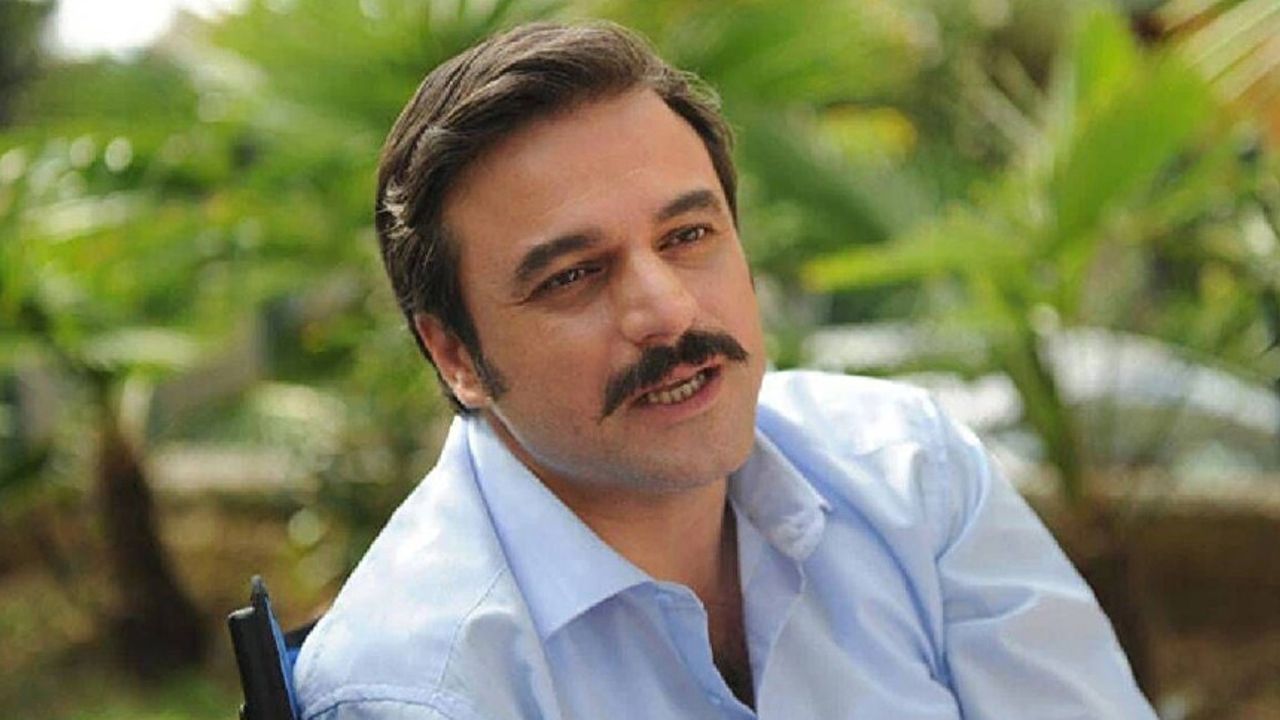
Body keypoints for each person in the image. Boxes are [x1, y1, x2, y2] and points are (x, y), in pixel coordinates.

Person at [293, 21, 1156, 720]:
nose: (666, 311)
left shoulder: (910, 472)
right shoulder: (420, 689)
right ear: (456, 356)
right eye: (573, 276)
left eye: (688, 236)